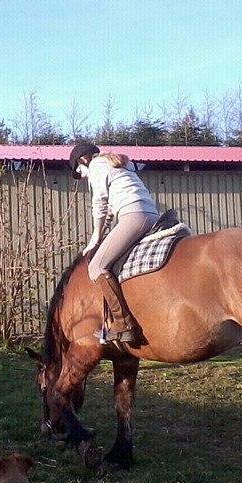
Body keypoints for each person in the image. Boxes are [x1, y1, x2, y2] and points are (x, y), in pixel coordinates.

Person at [69, 142, 160, 343]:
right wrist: (102, 235)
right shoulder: (118, 165)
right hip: (150, 214)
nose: (81, 175)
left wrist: (95, 237)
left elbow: (99, 204)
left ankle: (122, 323)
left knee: (97, 267)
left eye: (78, 169)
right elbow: (110, 208)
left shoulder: (96, 166)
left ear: (84, 159)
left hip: (133, 215)